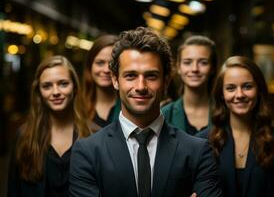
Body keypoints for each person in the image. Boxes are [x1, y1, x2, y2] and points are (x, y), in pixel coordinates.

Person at [69, 27, 222, 197]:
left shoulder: (197, 151)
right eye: (130, 76)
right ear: (115, 80)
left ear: (165, 81)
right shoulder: (87, 152)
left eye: (151, 76)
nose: (141, 87)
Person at [196, 56, 274, 197]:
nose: (240, 94)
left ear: (259, 90)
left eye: (247, 86)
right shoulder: (202, 142)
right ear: (222, 95)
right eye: (230, 88)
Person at [7, 55, 91, 196]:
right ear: (39, 92)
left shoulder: (94, 135)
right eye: (47, 86)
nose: (56, 92)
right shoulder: (24, 137)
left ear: (75, 87)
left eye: (63, 83)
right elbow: (13, 191)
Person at [162, 35, 218, 135]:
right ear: (178, 67)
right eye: (187, 62)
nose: (194, 69)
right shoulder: (164, 114)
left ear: (213, 68)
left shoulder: (224, 111)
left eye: (203, 63)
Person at [82, 34, 121, 131]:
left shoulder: (130, 107)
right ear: (90, 66)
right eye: (100, 63)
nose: (106, 70)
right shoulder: (77, 106)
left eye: (112, 64)